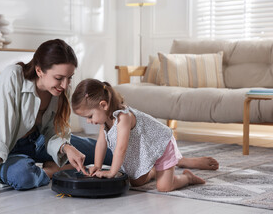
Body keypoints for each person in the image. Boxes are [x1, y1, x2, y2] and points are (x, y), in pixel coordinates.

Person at [0, 39, 112, 200]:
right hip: (11, 149)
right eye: (59, 78)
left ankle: (56, 164)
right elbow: (0, 134)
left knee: (106, 153)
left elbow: (53, 133)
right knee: (23, 176)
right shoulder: (13, 76)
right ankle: (52, 170)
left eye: (69, 77)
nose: (65, 85)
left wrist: (66, 147)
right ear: (39, 70)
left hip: (41, 143)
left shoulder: (60, 90)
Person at [72, 79, 206, 191]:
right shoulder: (105, 122)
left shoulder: (123, 117)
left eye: (90, 116)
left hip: (161, 145)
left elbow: (121, 148)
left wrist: (112, 172)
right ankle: (154, 169)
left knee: (164, 187)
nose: (89, 121)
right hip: (146, 149)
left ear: (103, 105)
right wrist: (97, 166)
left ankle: (187, 178)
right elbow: (101, 144)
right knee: (136, 182)